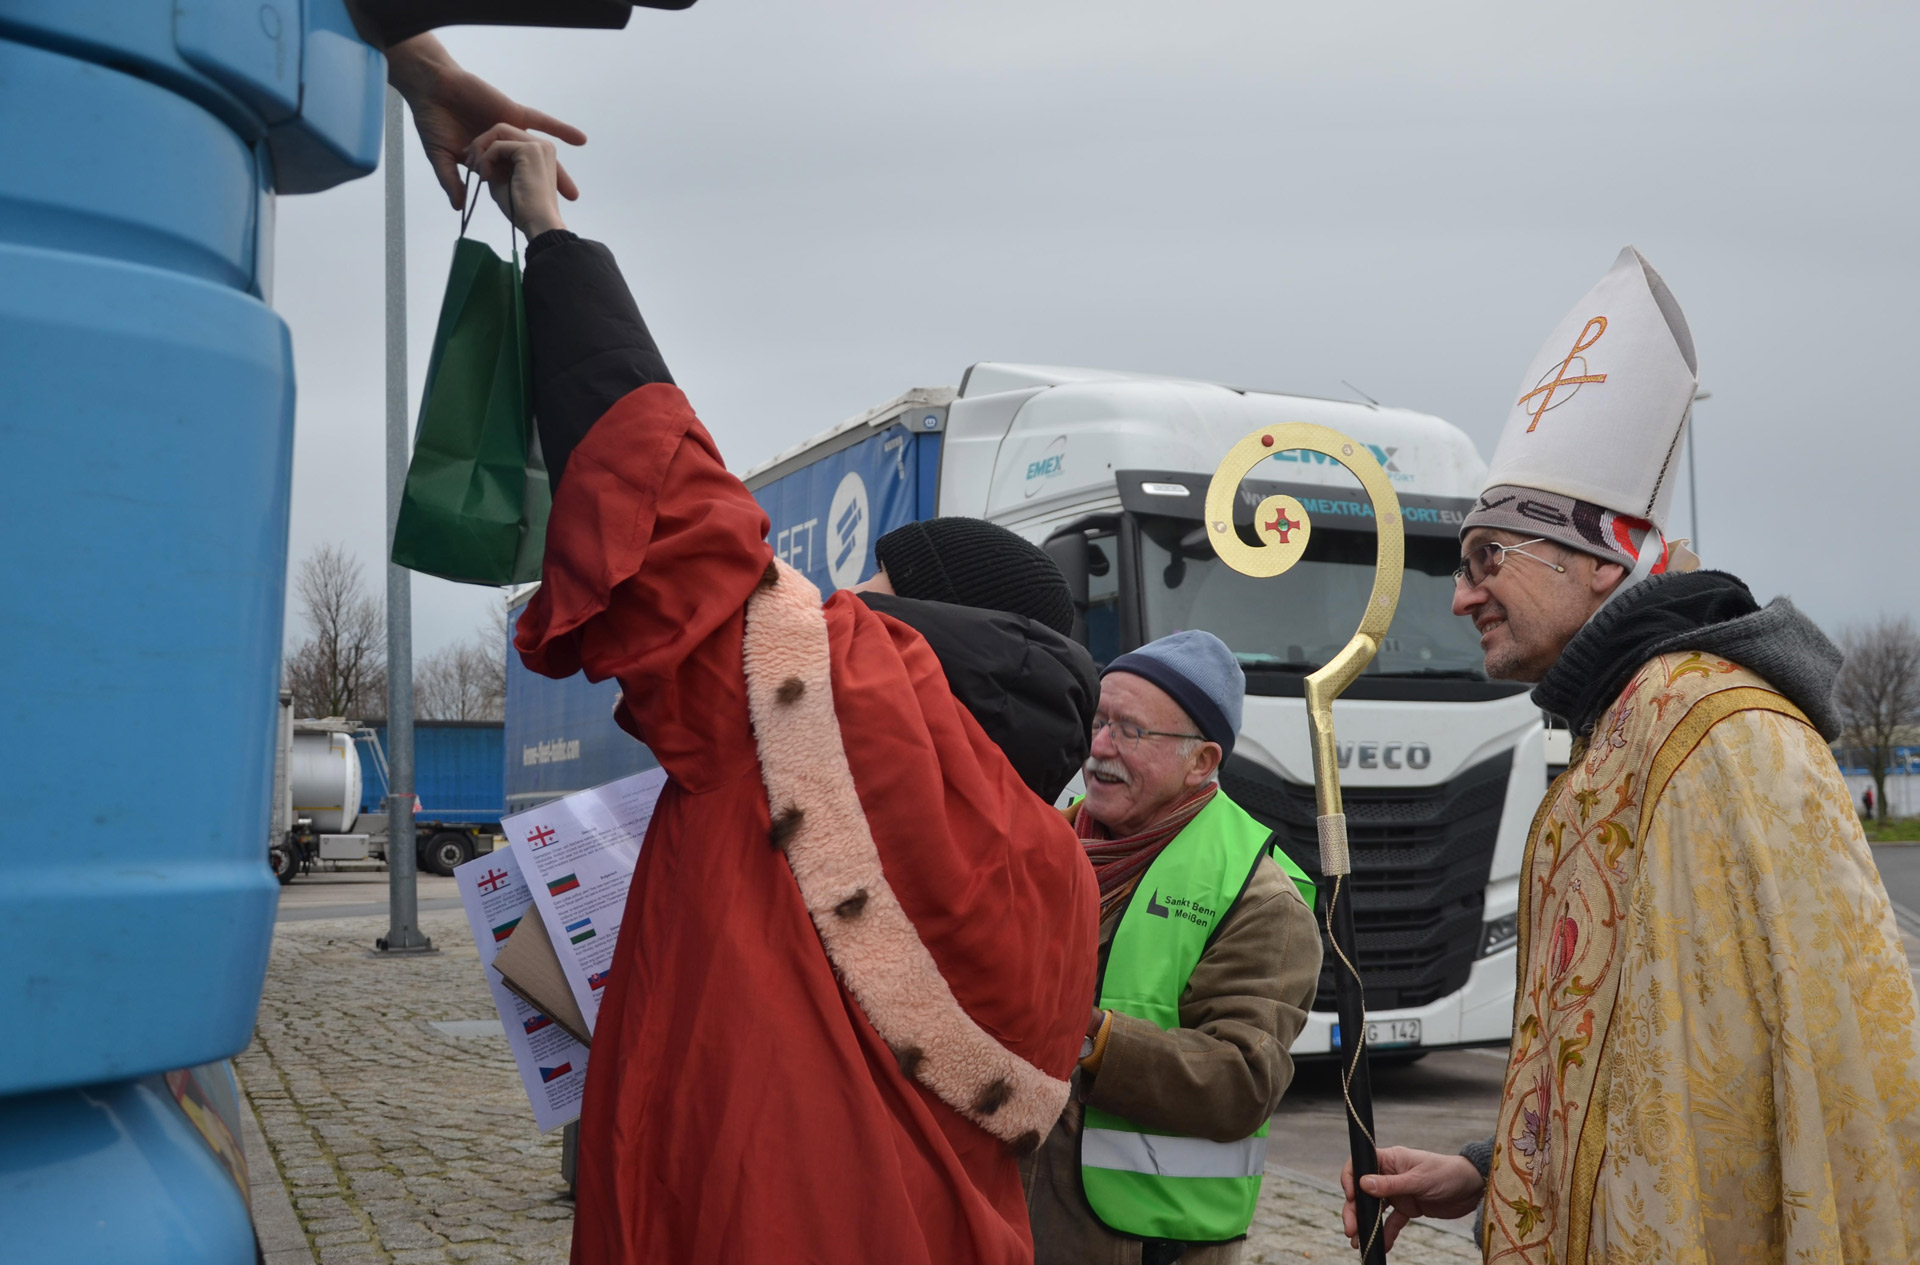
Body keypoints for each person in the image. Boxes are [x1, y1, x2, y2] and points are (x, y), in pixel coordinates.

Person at [466, 126, 1103, 1263]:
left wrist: (554, 245)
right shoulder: (1058, 863)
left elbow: (672, 523)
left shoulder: (845, 707)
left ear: (924, 639)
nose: (832, 602)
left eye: (876, 591)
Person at [1340, 247, 1920, 1261]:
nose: (1461, 594)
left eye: (1488, 559)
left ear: (1601, 555)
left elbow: (1820, 1087)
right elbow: (1640, 1058)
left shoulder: (1723, 737)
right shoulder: (1624, 726)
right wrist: (1489, 1164)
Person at [1024, 631, 1321, 1265]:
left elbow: (1244, 1078)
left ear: (1202, 762)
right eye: (1097, 721)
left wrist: (1089, 1035)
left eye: (1131, 731)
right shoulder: (1039, 840)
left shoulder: (1260, 898)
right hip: (1014, 1212)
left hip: (1147, 1241)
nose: (1099, 747)